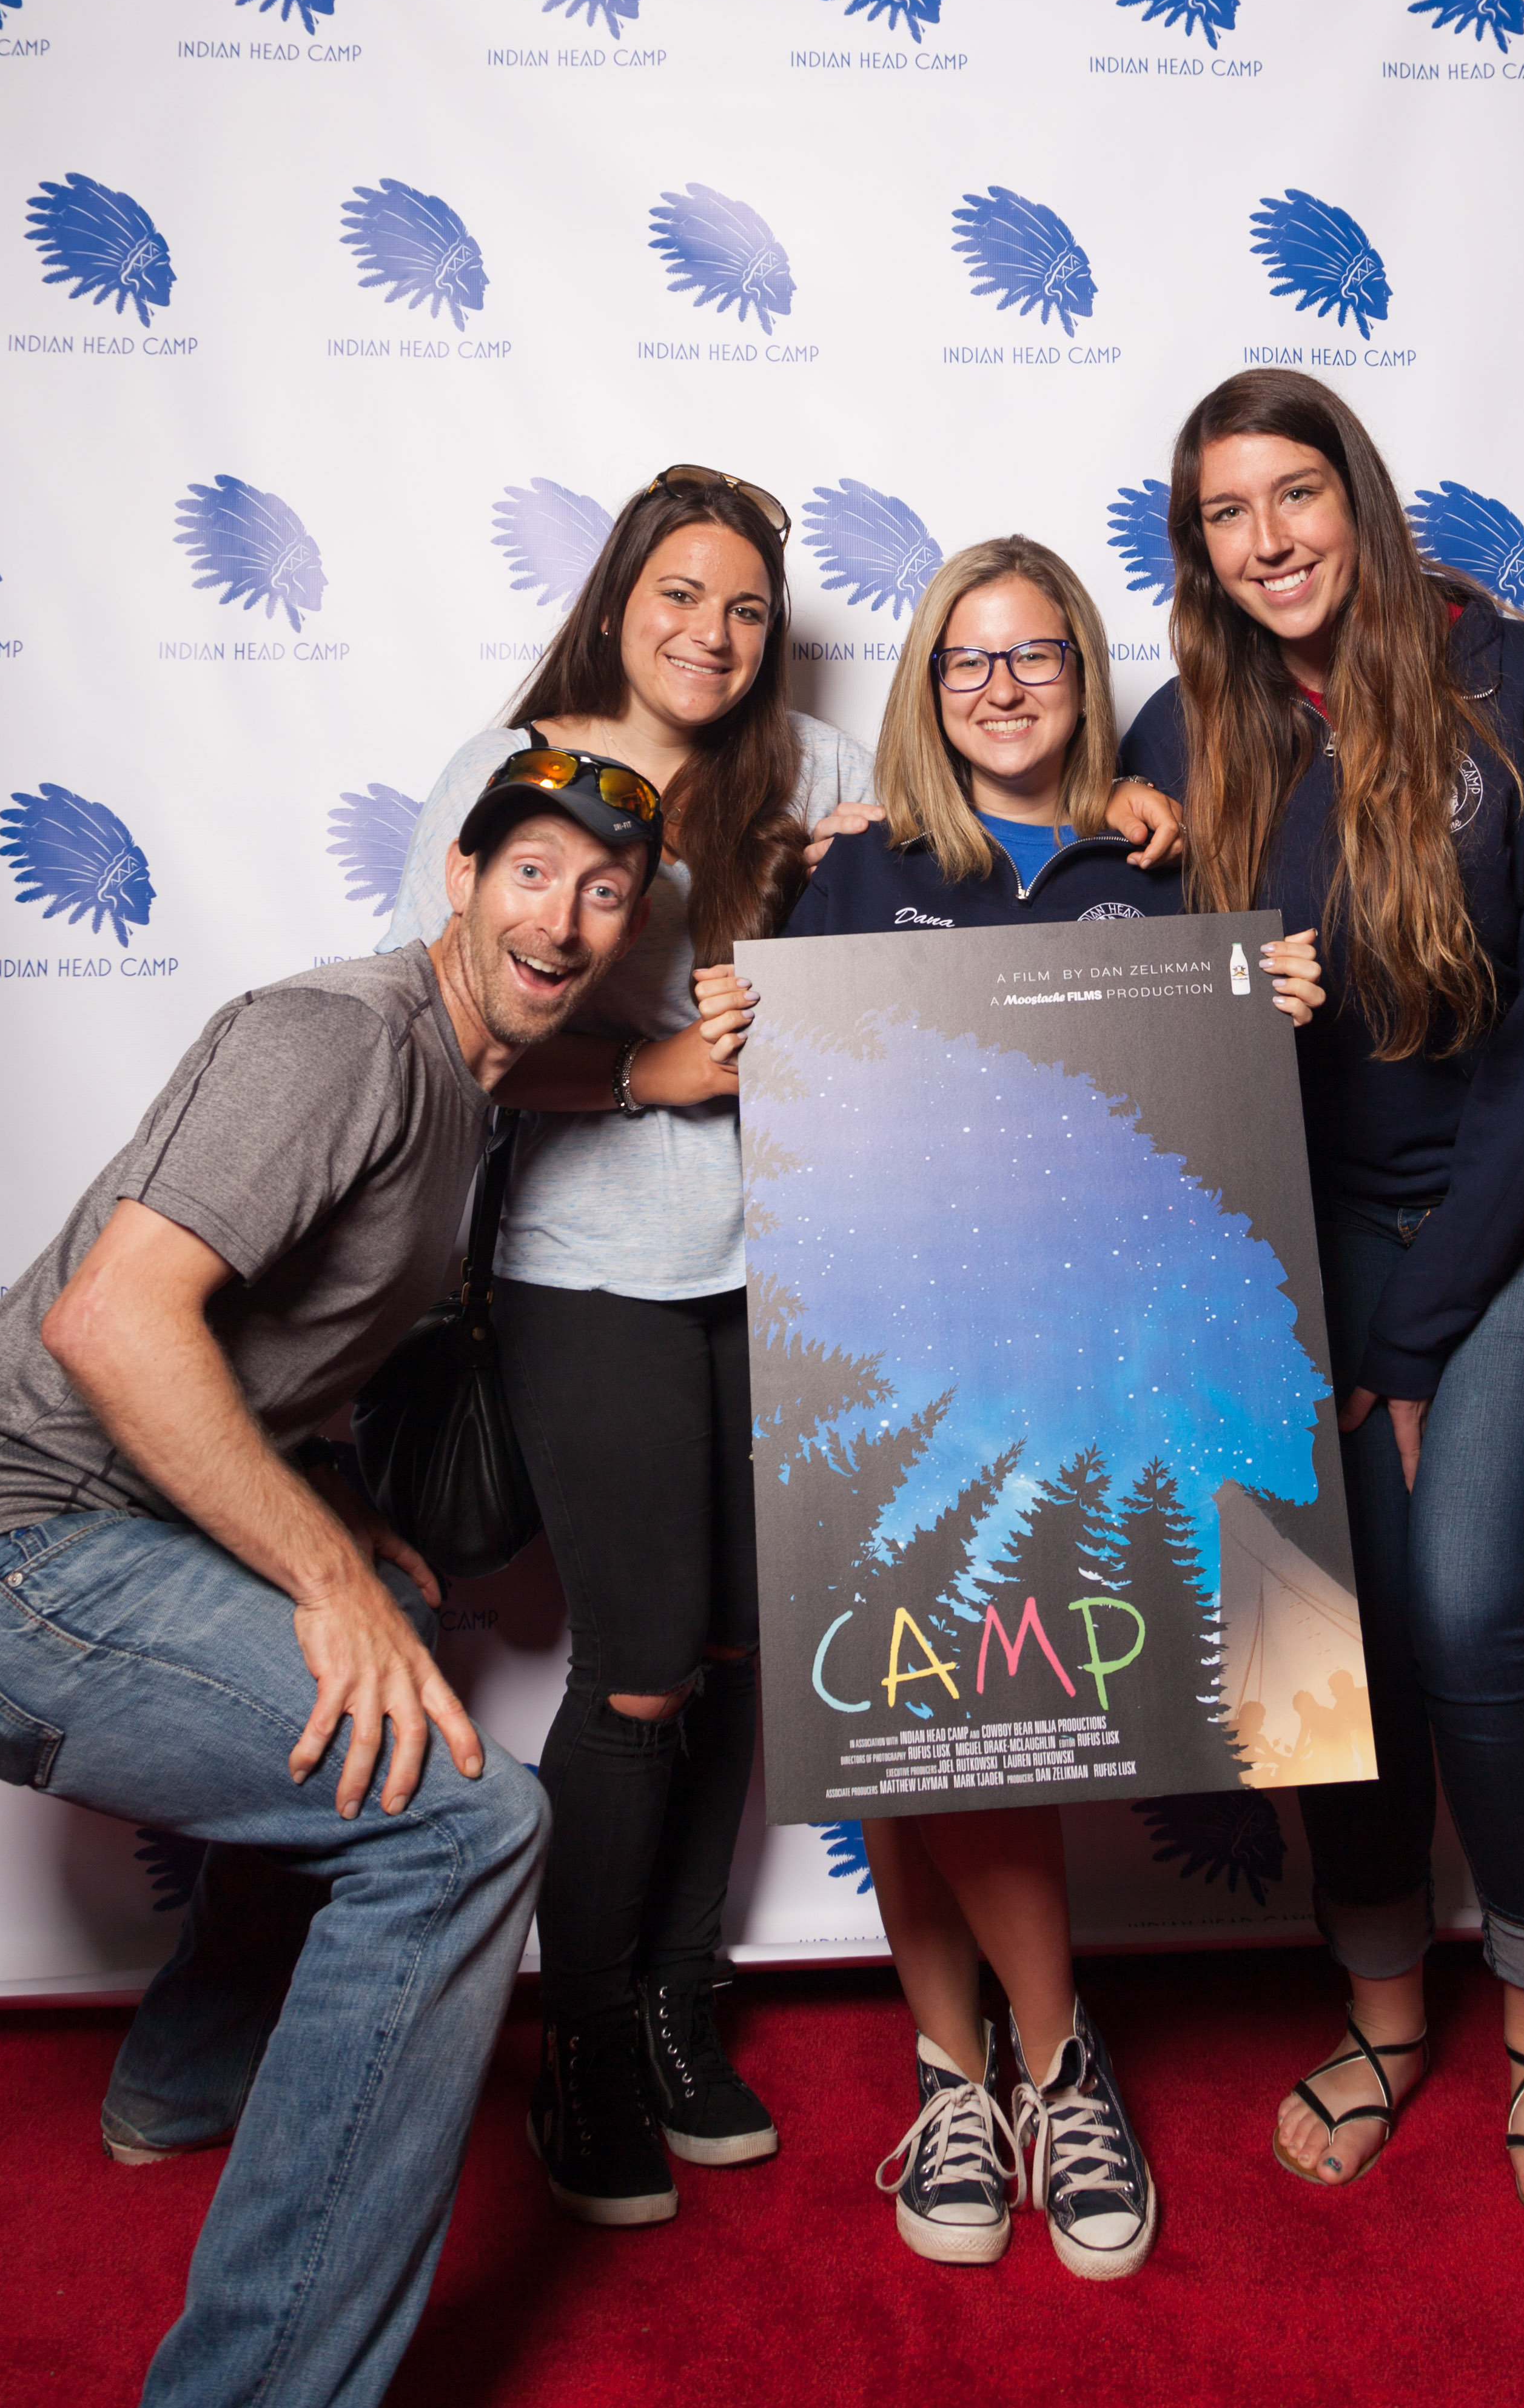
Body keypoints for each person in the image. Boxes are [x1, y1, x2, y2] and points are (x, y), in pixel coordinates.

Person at [386, 470, 1180, 2231]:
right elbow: (448, 1037)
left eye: (748, 609)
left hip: (818, 1268)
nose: (714, 636)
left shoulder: (811, 772)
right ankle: (581, 2037)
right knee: (646, 1666)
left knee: (768, 1652)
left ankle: (677, 2006)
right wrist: (646, 1071)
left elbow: (965, 851)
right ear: (619, 596)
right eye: (684, 596)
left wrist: (1139, 803)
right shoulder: (499, 769)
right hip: (596, 1271)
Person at [0, 759, 662, 2404]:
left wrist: (335, 1518)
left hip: (92, 1530)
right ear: (461, 874)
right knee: (467, 1819)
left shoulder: (469, 1086)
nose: (563, 917)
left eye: (603, 892)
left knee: (400, 1637)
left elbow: (255, 1347)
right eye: (533, 871)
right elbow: (115, 1323)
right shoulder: (345, 1040)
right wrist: (324, 1574)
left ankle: (182, 2076)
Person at [1120, 369, 1524, 2214]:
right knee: (1298, 1613)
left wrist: (1413, 1336)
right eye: (1225, 514)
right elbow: (1103, 982)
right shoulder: (1192, 730)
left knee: (1461, 1594)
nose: (1267, 542)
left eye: (1296, 495)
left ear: (1359, 495)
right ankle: (1377, 1994)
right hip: (1304, 1210)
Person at [784, 534, 1323, 2278]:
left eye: (1038, 658)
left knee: (978, 1702)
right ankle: (998, 2062)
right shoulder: (856, 874)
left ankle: (1011, 2055)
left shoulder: (1162, 860)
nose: (1003, 688)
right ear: (926, 689)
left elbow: (1211, 1116)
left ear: (1088, 681)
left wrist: (1281, 1000)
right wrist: (737, 1007)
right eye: (967, 660)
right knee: (899, 1710)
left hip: (1101, 1356)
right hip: (895, 1349)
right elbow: (798, 1109)